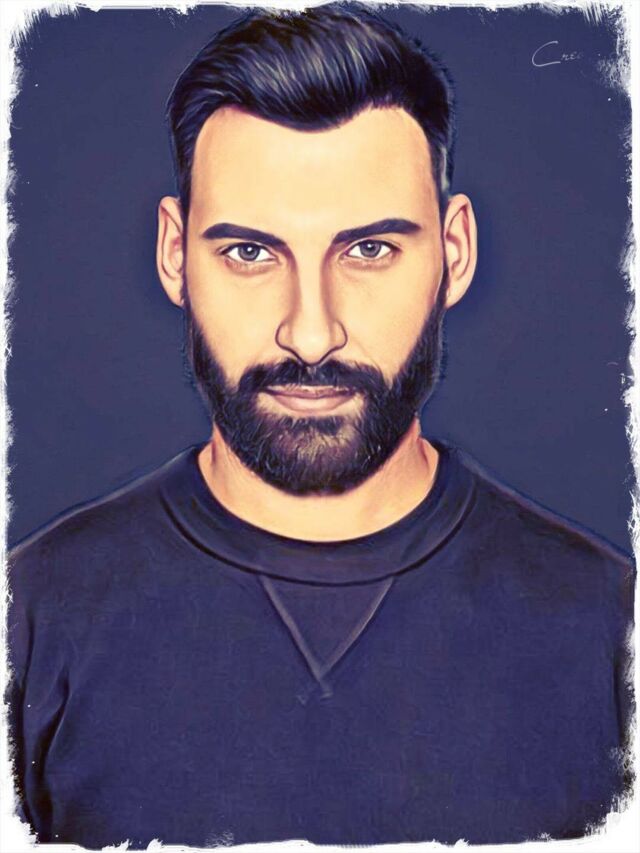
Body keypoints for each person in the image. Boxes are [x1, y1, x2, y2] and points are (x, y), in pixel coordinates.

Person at [6, 4, 634, 849]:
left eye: (369, 250)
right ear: (173, 253)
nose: (310, 334)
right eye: (250, 253)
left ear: (454, 251)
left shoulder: (611, 629)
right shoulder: (30, 618)